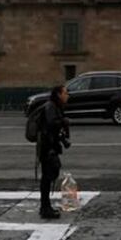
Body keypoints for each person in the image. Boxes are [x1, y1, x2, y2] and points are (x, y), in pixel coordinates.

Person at [37, 85, 70, 219]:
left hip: (50, 146)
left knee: (50, 175)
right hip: (47, 147)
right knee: (47, 177)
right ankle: (45, 208)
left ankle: (45, 206)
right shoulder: (51, 106)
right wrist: (63, 121)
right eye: (65, 93)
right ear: (58, 94)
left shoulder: (55, 106)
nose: (67, 95)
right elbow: (51, 123)